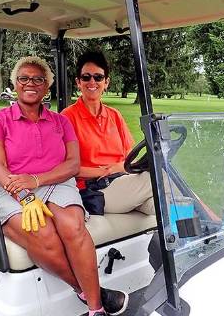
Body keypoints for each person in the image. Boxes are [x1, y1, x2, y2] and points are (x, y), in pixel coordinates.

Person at [0, 56, 127, 316]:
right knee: (43, 235)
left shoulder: (60, 121)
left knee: (73, 227)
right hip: (11, 189)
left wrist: (36, 180)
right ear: (14, 83)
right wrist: (25, 194)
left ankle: (94, 308)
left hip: (54, 182)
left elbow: (72, 164)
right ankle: (94, 302)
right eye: (24, 79)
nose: (30, 84)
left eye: (37, 80)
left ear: (47, 86)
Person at [62, 51, 155, 215]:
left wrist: (120, 168)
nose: (92, 82)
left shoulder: (114, 115)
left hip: (123, 183)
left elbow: (130, 155)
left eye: (98, 77)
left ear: (106, 82)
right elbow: (65, 168)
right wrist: (106, 171)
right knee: (159, 178)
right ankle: (214, 222)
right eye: (86, 77)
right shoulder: (67, 118)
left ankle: (206, 235)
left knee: (167, 204)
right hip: (94, 190)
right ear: (78, 82)